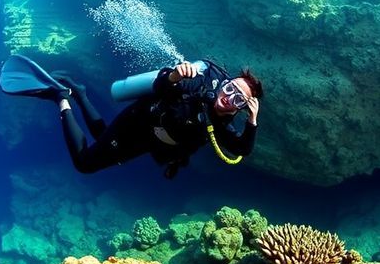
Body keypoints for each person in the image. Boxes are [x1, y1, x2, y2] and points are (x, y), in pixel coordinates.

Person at [44, 60, 262, 179]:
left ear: (241, 108)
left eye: (239, 99)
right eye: (230, 88)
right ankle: (62, 99)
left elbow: (241, 149)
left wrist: (252, 120)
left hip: (149, 142)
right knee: (85, 164)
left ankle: (80, 93)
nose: (228, 97)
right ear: (224, 84)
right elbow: (162, 85)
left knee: (101, 137)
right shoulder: (199, 85)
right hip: (137, 122)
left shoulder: (221, 124)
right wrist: (175, 75)